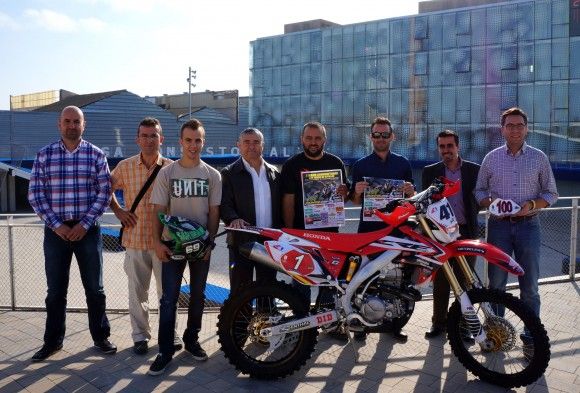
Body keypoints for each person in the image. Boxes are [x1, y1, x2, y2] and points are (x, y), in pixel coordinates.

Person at [28, 106, 116, 361]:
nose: (71, 125)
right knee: (55, 290)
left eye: (76, 121)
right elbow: (35, 194)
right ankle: (53, 342)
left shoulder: (96, 155)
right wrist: (57, 225)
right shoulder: (44, 156)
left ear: (83, 125)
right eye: (67, 121)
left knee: (95, 289)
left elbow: (104, 193)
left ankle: (101, 337)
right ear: (59, 124)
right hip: (56, 231)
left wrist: (84, 224)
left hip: (87, 230)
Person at [148, 119, 221, 376]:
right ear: (180, 142)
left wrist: (210, 241)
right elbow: (157, 210)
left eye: (198, 140)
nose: (193, 145)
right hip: (172, 244)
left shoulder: (213, 175)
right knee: (168, 299)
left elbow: (214, 212)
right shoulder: (167, 174)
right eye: (188, 140)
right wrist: (157, 243)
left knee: (198, 296)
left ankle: (191, 340)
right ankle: (165, 350)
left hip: (200, 246)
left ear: (203, 141)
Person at [474, 107, 558, 331]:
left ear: (527, 128)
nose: (515, 130)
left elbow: (551, 193)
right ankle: (497, 332)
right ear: (502, 129)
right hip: (498, 227)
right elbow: (479, 191)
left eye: (519, 125)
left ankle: (532, 336)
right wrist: (490, 203)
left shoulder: (539, 158)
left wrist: (530, 205)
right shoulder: (491, 159)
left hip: (529, 226)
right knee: (497, 285)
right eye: (510, 125)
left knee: (529, 286)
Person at [110, 117, 182, 355]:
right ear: (137, 139)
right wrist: (118, 211)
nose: (149, 140)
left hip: (164, 242)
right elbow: (104, 189)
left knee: (168, 294)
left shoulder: (173, 168)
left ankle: (169, 335)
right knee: (137, 294)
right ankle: (140, 336)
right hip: (135, 240)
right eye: (145, 135)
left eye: (154, 135)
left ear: (161, 139)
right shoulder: (124, 166)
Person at [280, 121, 349, 339]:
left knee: (329, 280)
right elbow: (288, 201)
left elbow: (344, 197)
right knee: (301, 279)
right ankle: (302, 325)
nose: (313, 142)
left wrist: (344, 192)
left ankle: (329, 324)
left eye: (317, 138)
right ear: (302, 139)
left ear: (324, 140)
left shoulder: (335, 162)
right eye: (309, 138)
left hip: (330, 234)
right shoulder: (292, 165)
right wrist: (290, 234)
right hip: (302, 233)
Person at [348, 116, 414, 342]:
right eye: (377, 134)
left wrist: (410, 191)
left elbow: (411, 200)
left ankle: (395, 325)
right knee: (364, 278)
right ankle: (360, 326)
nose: (381, 138)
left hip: (396, 231)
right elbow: (355, 202)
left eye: (385, 134)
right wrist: (356, 191)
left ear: (392, 136)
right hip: (368, 231)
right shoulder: (360, 165)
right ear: (371, 137)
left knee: (396, 280)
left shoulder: (403, 163)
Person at [422, 130, 481, 338]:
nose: (446, 150)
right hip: (440, 234)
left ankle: (465, 327)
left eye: (450, 146)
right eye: (442, 147)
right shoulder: (430, 171)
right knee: (441, 281)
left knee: (466, 281)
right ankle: (439, 323)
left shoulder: (474, 170)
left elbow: (479, 201)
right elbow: (425, 204)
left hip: (466, 232)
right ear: (439, 148)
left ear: (458, 147)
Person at [220, 128, 281, 294]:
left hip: (269, 242)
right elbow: (224, 204)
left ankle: (267, 320)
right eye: (246, 142)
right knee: (240, 292)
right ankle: (239, 321)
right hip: (241, 241)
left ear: (263, 145)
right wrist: (233, 218)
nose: (251, 146)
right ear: (238, 145)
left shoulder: (274, 173)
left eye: (256, 142)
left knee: (268, 290)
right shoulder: (228, 173)